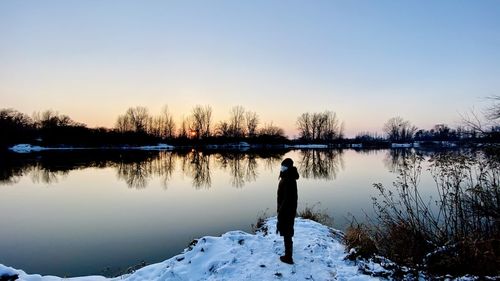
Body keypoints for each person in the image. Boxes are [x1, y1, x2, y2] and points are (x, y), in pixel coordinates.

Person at [276, 157, 299, 264]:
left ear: (288, 167)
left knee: (287, 232)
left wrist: (281, 211)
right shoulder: (287, 176)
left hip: (287, 210)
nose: (282, 168)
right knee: (287, 231)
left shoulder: (289, 179)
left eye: (284, 166)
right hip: (287, 209)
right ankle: (288, 253)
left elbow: (287, 198)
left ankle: (288, 257)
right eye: (282, 166)